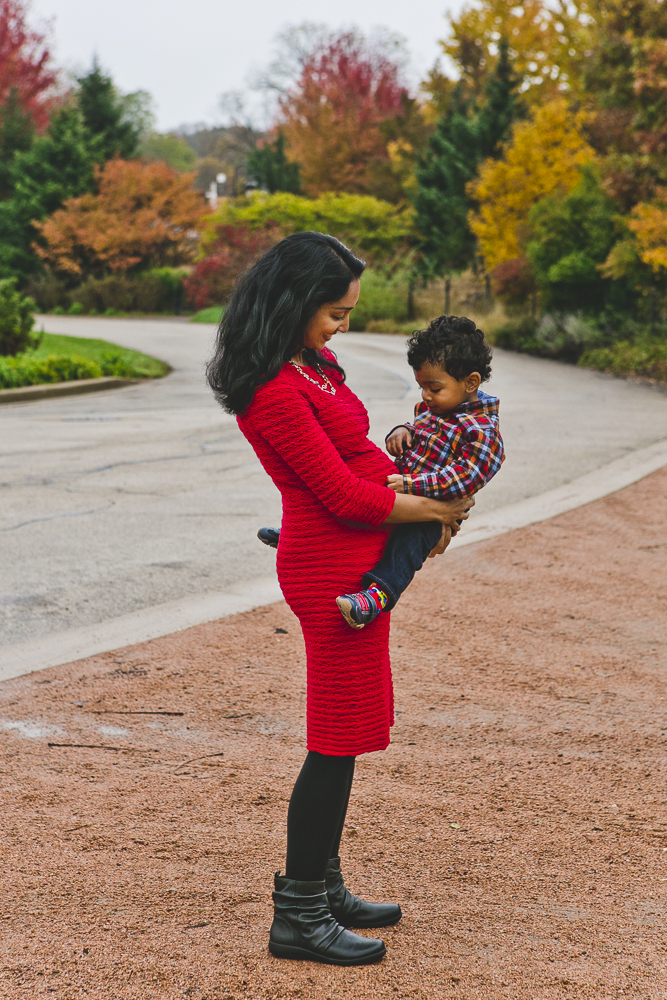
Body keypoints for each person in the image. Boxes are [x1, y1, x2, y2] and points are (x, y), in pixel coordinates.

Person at [207, 232, 472, 967]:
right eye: (334, 311)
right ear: (292, 302)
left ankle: (323, 888)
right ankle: (297, 914)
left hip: (359, 565)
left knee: (348, 733)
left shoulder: (315, 366)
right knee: (333, 739)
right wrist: (432, 511)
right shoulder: (272, 390)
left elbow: (360, 457)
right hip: (330, 575)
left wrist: (416, 482)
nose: (342, 326)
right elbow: (339, 495)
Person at [259, 315, 504, 630]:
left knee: (403, 551)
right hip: (403, 490)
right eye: (421, 387)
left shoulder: (481, 431)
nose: (425, 396)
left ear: (471, 382)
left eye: (434, 387)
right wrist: (402, 430)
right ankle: (302, 537)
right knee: (351, 493)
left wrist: (413, 485)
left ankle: (377, 595)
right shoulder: (440, 407)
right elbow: (419, 428)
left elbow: (466, 478)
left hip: (429, 511)